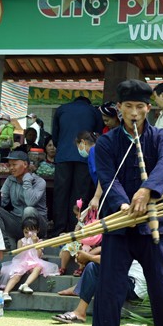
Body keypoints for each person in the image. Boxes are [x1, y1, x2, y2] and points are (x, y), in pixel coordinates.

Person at [90, 79, 163, 326]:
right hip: (120, 223)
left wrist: (146, 190)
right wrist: (123, 203)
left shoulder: (160, 137)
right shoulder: (108, 142)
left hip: (155, 222)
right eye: (128, 107)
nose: (134, 113)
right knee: (110, 286)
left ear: (149, 108)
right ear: (119, 108)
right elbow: (107, 177)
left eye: (139, 107)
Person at [52, 96, 103, 235]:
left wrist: (63, 147)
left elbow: (54, 137)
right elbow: (96, 137)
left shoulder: (61, 109)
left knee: (60, 194)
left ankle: (58, 230)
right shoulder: (94, 112)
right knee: (79, 194)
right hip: (84, 158)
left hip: (63, 156)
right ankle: (75, 229)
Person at [53, 253, 146, 324]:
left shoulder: (132, 241)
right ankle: (78, 289)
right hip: (128, 281)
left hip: (133, 287)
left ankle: (80, 312)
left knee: (93, 267)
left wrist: (88, 256)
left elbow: (109, 261)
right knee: (95, 269)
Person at [0, 150, 49, 249]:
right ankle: (3, 242)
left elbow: (30, 201)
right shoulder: (10, 180)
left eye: (14, 165)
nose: (11, 168)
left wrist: (27, 179)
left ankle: (30, 243)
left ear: (25, 164)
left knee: (28, 210)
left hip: (37, 226)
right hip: (17, 223)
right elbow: (2, 203)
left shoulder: (39, 182)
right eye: (10, 165)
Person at [0, 217, 59, 301]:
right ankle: (5, 293)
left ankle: (25, 285)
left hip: (34, 261)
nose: (29, 234)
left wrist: (35, 243)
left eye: (32, 231)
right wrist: (24, 248)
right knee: (16, 276)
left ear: (37, 230)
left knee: (38, 267)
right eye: (26, 232)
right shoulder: (21, 241)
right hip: (22, 261)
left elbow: (39, 255)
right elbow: (18, 254)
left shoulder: (39, 241)